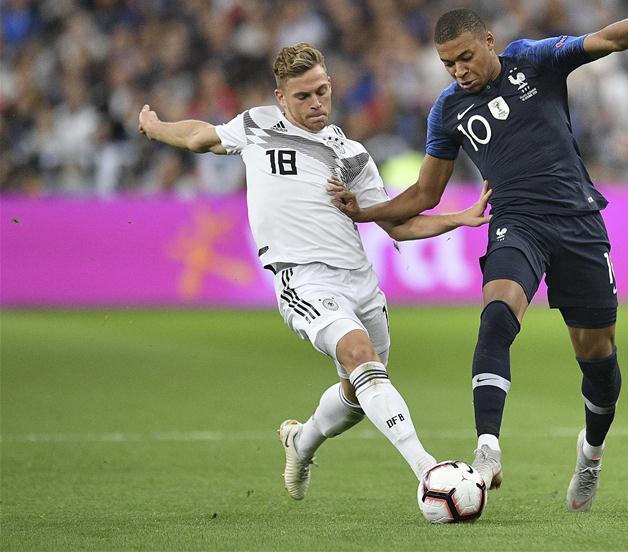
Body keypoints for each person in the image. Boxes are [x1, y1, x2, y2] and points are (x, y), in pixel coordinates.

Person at [329, 0, 628, 512]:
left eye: (465, 57)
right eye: (446, 63)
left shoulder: (533, 59)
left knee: (597, 355)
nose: (457, 70)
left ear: (489, 42)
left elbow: (607, 40)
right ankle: (487, 450)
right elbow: (424, 195)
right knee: (497, 314)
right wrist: (363, 212)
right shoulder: (448, 111)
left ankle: (590, 453)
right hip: (516, 222)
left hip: (577, 221)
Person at [137, 43, 492, 500]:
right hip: (303, 279)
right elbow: (199, 137)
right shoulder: (258, 125)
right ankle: (429, 471)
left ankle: (301, 442)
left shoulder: (352, 153)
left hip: (361, 283)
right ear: (281, 98)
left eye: (322, 91)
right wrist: (155, 125)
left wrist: (457, 218)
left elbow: (395, 225)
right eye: (303, 96)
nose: (316, 103)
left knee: (358, 392)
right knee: (360, 355)